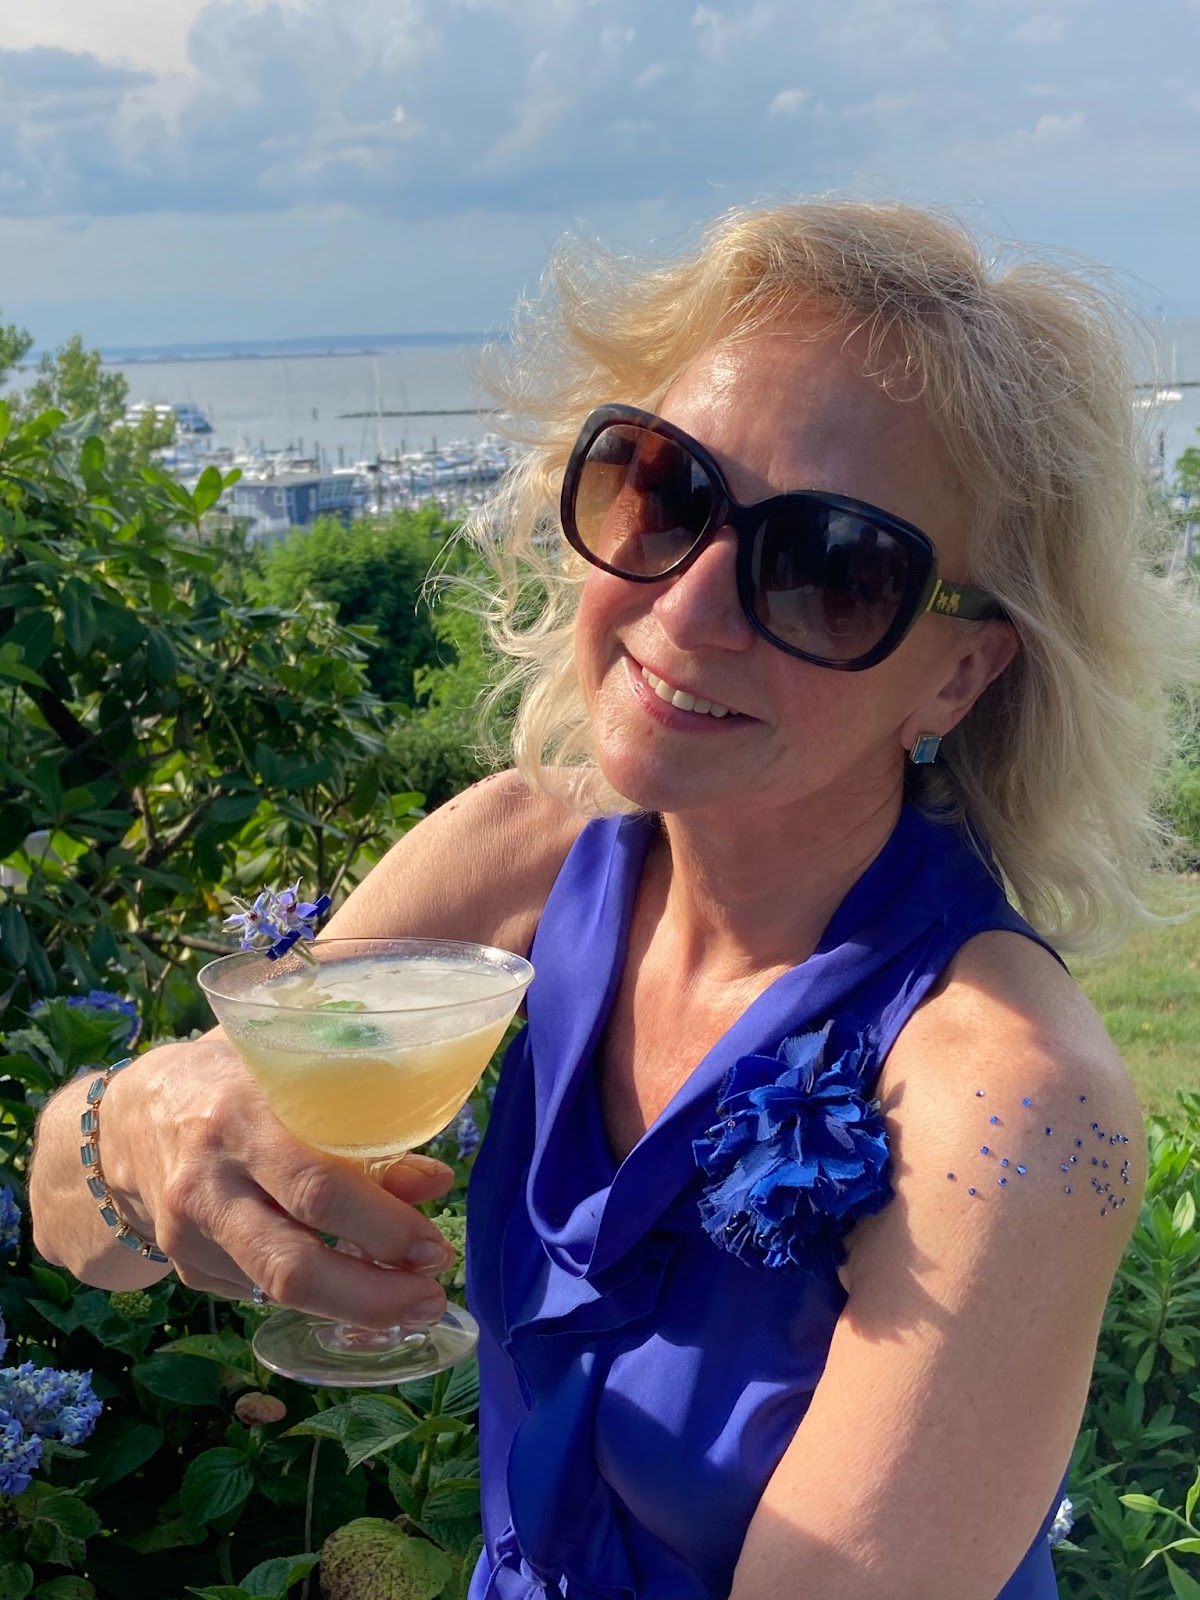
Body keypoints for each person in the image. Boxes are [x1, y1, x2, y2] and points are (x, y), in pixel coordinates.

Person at [28, 200, 1198, 1600]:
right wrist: (140, 1126)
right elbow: (76, 1229)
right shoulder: (523, 851)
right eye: (666, 488)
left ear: (958, 672)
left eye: (831, 568)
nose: (689, 609)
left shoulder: (1016, 1110)